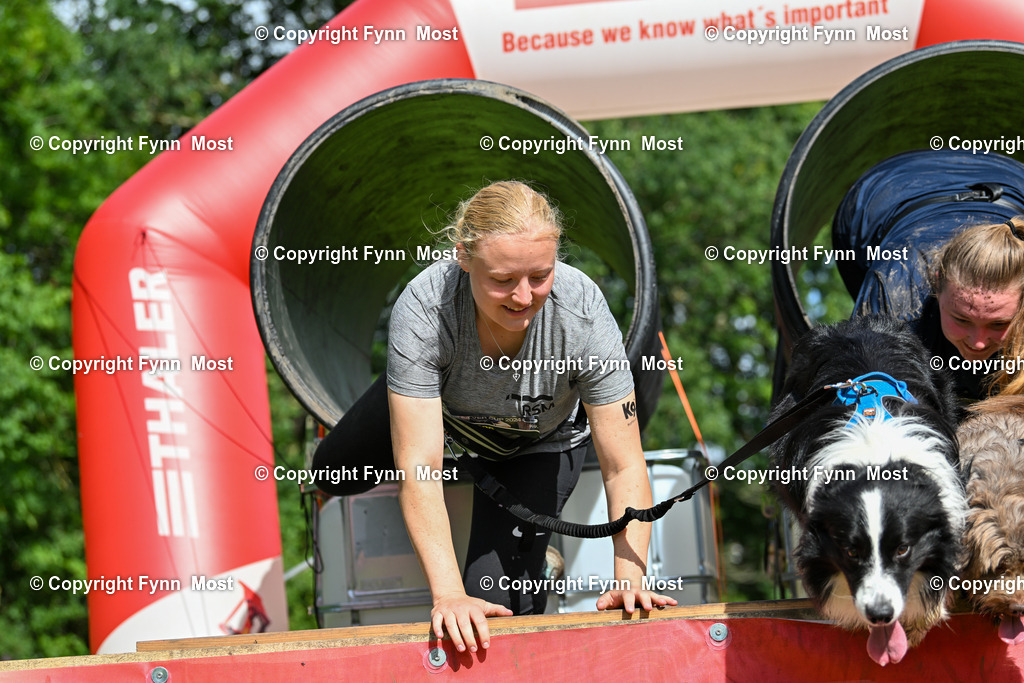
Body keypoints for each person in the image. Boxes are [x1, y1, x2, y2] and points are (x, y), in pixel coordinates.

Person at [311, 180, 674, 654]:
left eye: (540, 276)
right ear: (463, 256)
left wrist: (629, 580)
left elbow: (623, 464)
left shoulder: (582, 313)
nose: (522, 297)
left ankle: (537, 559)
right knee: (333, 472)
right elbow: (420, 468)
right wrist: (444, 595)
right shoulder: (425, 307)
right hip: (440, 408)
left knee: (489, 610)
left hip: (538, 440)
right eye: (502, 280)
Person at [832, 149, 1024, 400]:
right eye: (962, 319)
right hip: (885, 189)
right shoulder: (894, 290)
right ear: (935, 283)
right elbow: (859, 391)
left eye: (998, 323)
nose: (978, 342)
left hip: (1009, 176)